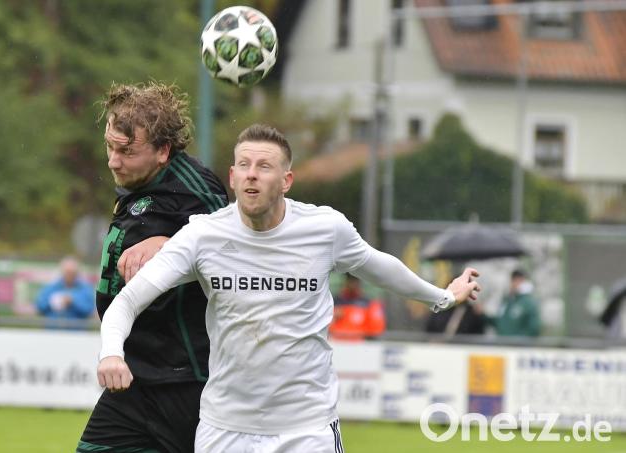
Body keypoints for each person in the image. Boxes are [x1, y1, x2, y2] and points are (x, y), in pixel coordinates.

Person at [97, 124, 481, 452]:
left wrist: (443, 297)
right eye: (244, 165)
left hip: (306, 429)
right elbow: (127, 302)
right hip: (224, 430)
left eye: (264, 166)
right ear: (231, 177)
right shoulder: (203, 236)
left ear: (286, 180)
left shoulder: (325, 229)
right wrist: (111, 353)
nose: (252, 174)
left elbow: (380, 267)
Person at [76, 81, 228, 453]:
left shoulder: (195, 188)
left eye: (126, 151)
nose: (113, 160)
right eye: (110, 147)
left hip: (185, 381)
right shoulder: (137, 181)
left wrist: (170, 243)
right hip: (134, 377)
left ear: (163, 150)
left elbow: (233, 246)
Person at [36, 256, 95, 329]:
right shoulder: (51, 288)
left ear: (77, 273)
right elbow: (39, 307)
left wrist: (73, 301)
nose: (69, 275)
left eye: (72, 273)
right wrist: (53, 302)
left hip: (77, 335)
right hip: (52, 333)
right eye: (67, 272)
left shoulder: (85, 289)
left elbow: (89, 310)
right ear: (62, 272)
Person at [484, 269, 541, 337]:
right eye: (514, 280)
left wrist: (517, 342)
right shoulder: (507, 301)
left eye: (518, 280)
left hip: (517, 346)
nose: (515, 283)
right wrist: (483, 315)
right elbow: (500, 323)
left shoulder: (529, 302)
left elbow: (533, 329)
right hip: (501, 344)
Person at [329, 274, 386, 339]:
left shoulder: (366, 302)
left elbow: (375, 330)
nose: (353, 284)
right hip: (337, 341)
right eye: (350, 280)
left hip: (361, 342)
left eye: (355, 280)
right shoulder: (335, 301)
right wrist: (333, 316)